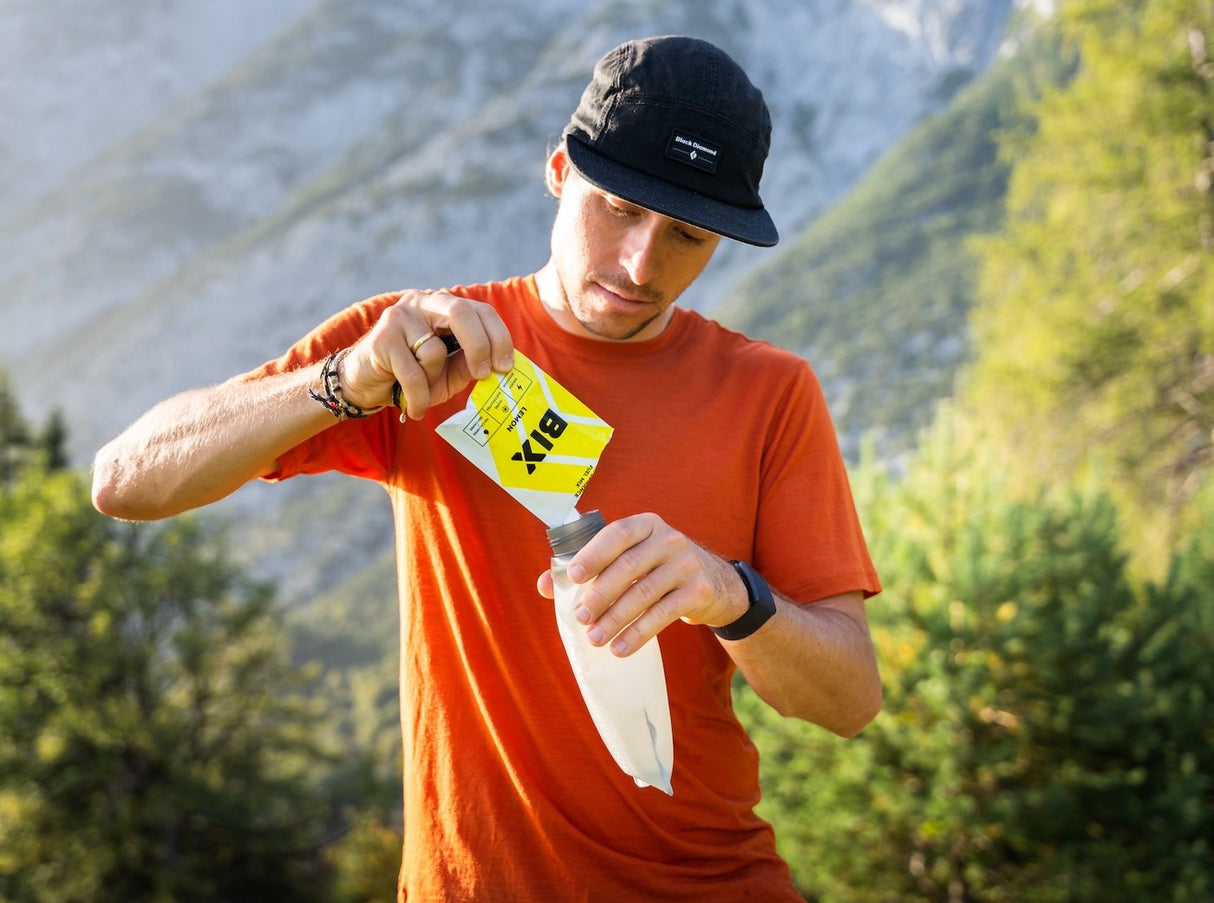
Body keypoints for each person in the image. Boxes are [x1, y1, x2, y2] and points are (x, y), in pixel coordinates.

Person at [92, 35, 882, 902]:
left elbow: (848, 699)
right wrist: (342, 382)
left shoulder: (770, 392)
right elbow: (124, 479)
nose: (641, 265)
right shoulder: (419, 346)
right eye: (620, 209)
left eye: (688, 236)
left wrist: (732, 594)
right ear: (559, 171)